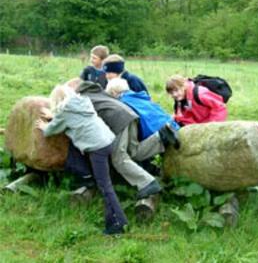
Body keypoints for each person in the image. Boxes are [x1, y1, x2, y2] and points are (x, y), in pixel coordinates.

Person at [36, 85, 128, 235]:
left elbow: (50, 130)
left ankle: (117, 225)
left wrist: (44, 126)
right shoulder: (84, 102)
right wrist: (55, 115)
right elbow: (74, 118)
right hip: (108, 140)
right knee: (105, 184)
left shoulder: (64, 112)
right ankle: (119, 221)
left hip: (97, 147)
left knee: (105, 186)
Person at [66, 78, 179, 200]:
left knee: (119, 159)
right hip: (130, 117)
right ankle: (160, 136)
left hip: (120, 121)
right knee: (133, 152)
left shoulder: (81, 99)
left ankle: (148, 184)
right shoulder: (98, 93)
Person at [106, 78, 180, 141]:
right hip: (173, 126)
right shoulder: (141, 97)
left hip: (156, 135)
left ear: (113, 92)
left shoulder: (123, 104)